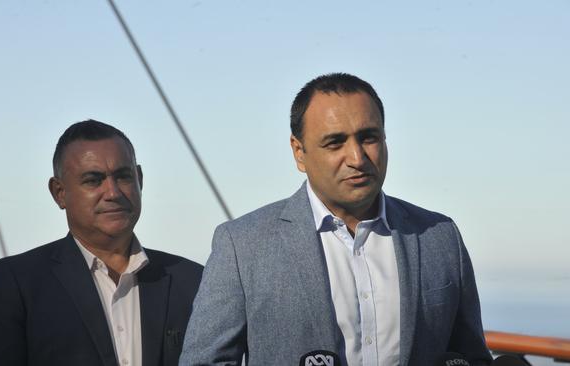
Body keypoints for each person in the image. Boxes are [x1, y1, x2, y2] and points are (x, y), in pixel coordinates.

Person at [179, 73, 492, 366]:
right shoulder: (243, 245)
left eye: (369, 137)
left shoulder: (439, 236)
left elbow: (469, 355)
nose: (357, 158)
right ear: (299, 152)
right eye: (335, 142)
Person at [0, 120, 203, 366]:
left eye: (123, 177)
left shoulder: (192, 281)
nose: (112, 192)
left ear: (140, 180)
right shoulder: (18, 284)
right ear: (59, 193)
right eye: (93, 180)